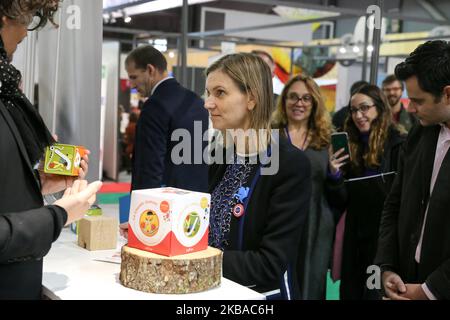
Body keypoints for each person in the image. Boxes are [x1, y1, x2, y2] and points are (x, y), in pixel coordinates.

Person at [0, 0, 102, 299]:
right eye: (29, 19)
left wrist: (36, 184)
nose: (26, 33)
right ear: (6, 16)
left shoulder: (6, 93)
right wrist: (58, 215)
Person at [205, 53, 312, 299]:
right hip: (217, 289)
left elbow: (269, 263)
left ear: (251, 98)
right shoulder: (219, 153)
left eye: (219, 93)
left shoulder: (290, 164)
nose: (208, 103)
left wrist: (198, 258)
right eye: (208, 93)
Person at [375, 40, 450, 300]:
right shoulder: (421, 132)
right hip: (406, 277)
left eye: (418, 100)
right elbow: (394, 203)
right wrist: (387, 267)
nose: (409, 108)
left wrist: (430, 291)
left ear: (448, 94)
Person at [327, 84, 405, 300]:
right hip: (355, 233)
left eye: (364, 108)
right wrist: (334, 175)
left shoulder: (398, 144)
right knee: (351, 292)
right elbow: (342, 200)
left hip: (383, 236)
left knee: (376, 293)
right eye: (353, 110)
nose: (358, 115)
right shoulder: (350, 145)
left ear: (379, 108)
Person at [272, 74, 334, 300]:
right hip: (278, 220)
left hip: (315, 224)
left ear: (315, 102)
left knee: (311, 285)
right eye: (294, 97)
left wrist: (335, 174)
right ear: (284, 101)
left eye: (306, 98)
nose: (299, 103)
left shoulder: (326, 140)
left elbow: (340, 196)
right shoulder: (271, 136)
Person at [125, 45, 208, 192]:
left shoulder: (155, 106)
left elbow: (149, 166)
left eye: (134, 77)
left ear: (150, 70)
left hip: (165, 202)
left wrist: (144, 206)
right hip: (196, 198)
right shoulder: (195, 100)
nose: (131, 84)